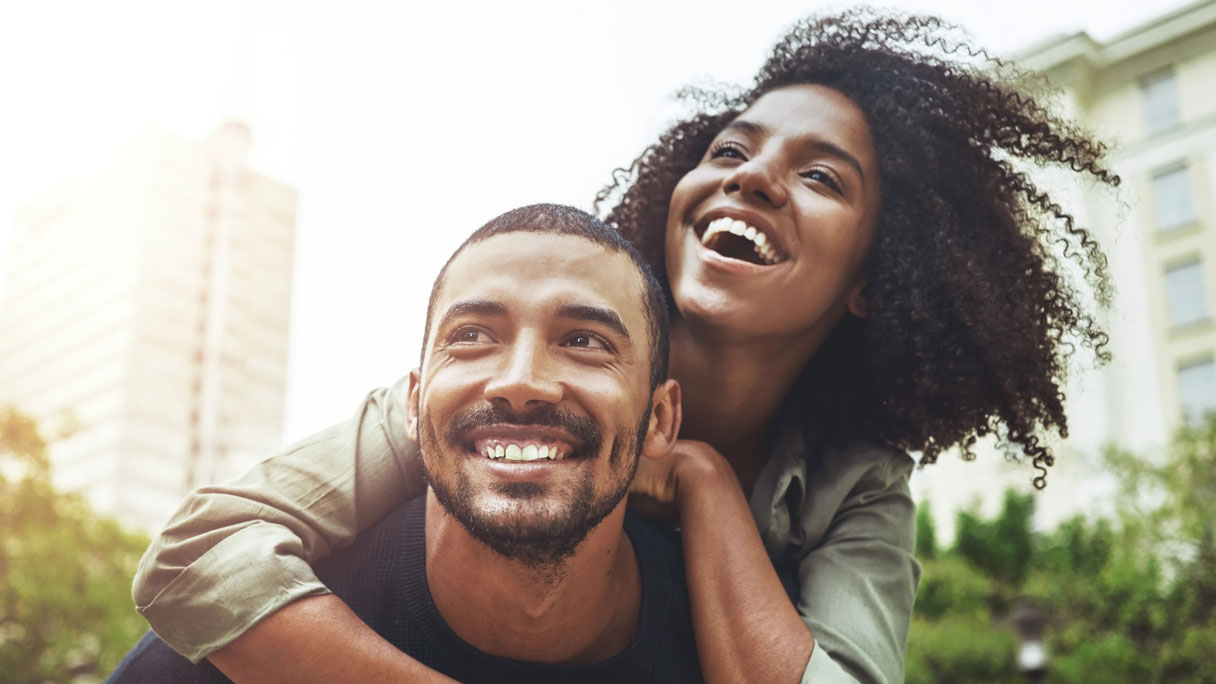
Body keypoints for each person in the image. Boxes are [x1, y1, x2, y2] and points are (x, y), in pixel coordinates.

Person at [131, 9, 1119, 684]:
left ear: (878, 278)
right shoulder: (512, 384)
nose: (751, 179)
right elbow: (201, 551)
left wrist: (701, 482)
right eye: (728, 150)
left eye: (821, 177)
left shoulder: (857, 486)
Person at [108, 205, 702, 683]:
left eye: (584, 341)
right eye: (472, 335)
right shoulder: (244, 646)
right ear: (412, 405)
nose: (521, 381)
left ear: (659, 419)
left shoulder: (709, 634)